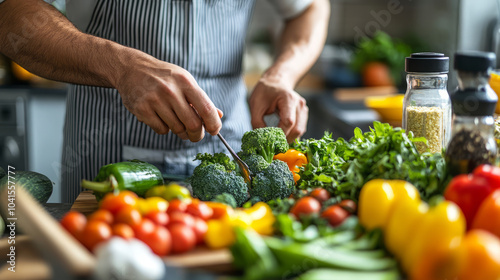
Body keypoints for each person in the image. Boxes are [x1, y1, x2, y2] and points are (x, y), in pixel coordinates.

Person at [0, 0, 330, 202]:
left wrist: (281, 75)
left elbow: (312, 7)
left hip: (230, 145)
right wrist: (120, 66)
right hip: (103, 149)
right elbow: (11, 16)